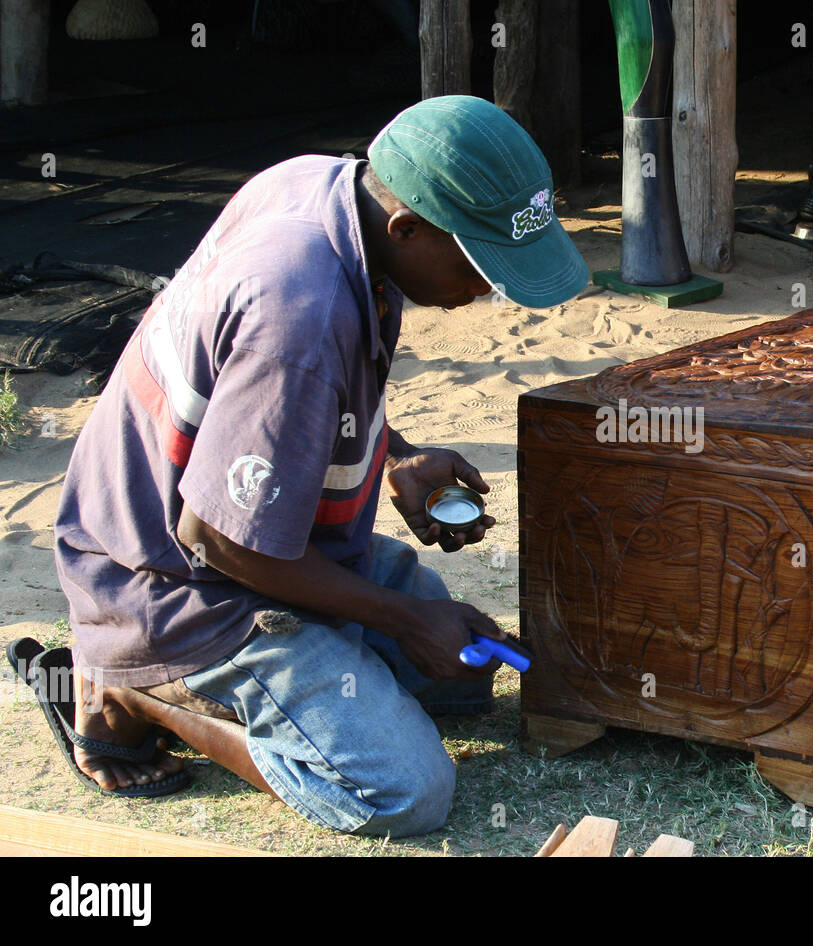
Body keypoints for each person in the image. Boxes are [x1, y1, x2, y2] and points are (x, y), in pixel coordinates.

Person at [13, 95, 588, 836]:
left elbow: (266, 397)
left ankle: (302, 671)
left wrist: (396, 453)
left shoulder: (324, 187)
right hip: (178, 582)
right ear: (406, 228)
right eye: (482, 264)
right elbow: (219, 538)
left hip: (262, 537)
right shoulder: (299, 309)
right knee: (405, 791)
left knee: (468, 677)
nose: (490, 290)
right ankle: (136, 691)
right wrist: (407, 618)